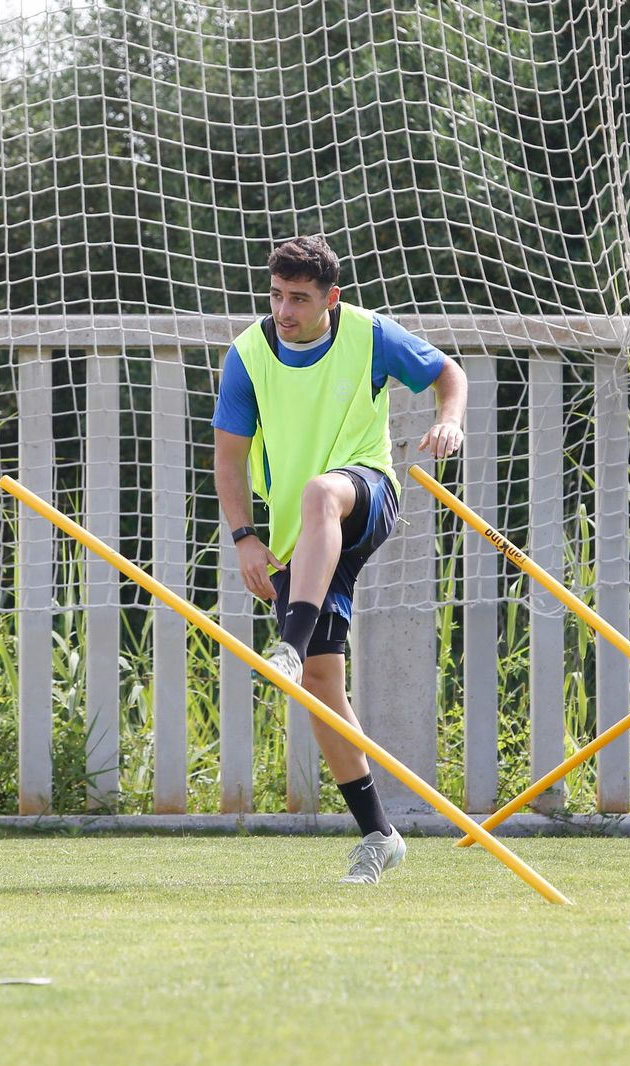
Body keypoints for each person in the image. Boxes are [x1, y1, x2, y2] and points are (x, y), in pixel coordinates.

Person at [211, 236, 466, 884]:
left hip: (366, 491)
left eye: (299, 298)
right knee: (323, 689)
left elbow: (448, 375)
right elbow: (230, 459)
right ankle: (380, 835)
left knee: (325, 489)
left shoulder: (369, 335)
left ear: (332, 297)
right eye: (276, 296)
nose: (285, 310)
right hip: (303, 540)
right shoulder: (247, 356)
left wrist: (450, 419)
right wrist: (245, 536)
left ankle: (289, 646)